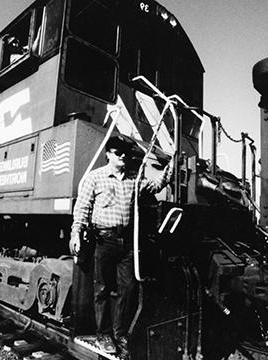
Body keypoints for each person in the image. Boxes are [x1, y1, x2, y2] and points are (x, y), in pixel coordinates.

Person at [70, 136, 174, 359]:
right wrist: (76, 233)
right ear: (108, 154)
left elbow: (156, 185)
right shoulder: (94, 178)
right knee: (102, 289)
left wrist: (173, 164)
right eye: (118, 152)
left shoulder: (134, 180)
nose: (123, 155)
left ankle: (120, 335)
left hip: (127, 241)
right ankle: (103, 335)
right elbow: (82, 208)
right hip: (103, 240)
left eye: (126, 152)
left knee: (127, 289)